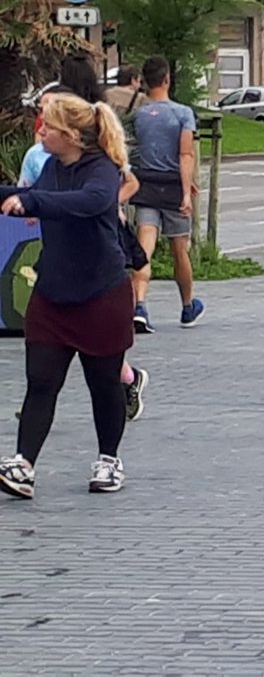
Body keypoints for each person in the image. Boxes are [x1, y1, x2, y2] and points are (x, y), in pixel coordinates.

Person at [0, 95, 137, 499]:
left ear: (72, 135)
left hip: (102, 293)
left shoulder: (103, 171)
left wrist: (33, 201)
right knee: (40, 382)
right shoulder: (49, 168)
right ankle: (23, 465)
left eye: (48, 126)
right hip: (53, 293)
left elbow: (89, 203)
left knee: (104, 384)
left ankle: (109, 460)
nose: (40, 130)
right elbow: (29, 194)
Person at [129, 55, 204, 332]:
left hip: (146, 184)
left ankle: (140, 304)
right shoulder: (182, 114)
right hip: (172, 187)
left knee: (144, 247)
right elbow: (186, 154)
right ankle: (187, 305)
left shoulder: (138, 115)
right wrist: (187, 193)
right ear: (167, 79)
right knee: (179, 250)